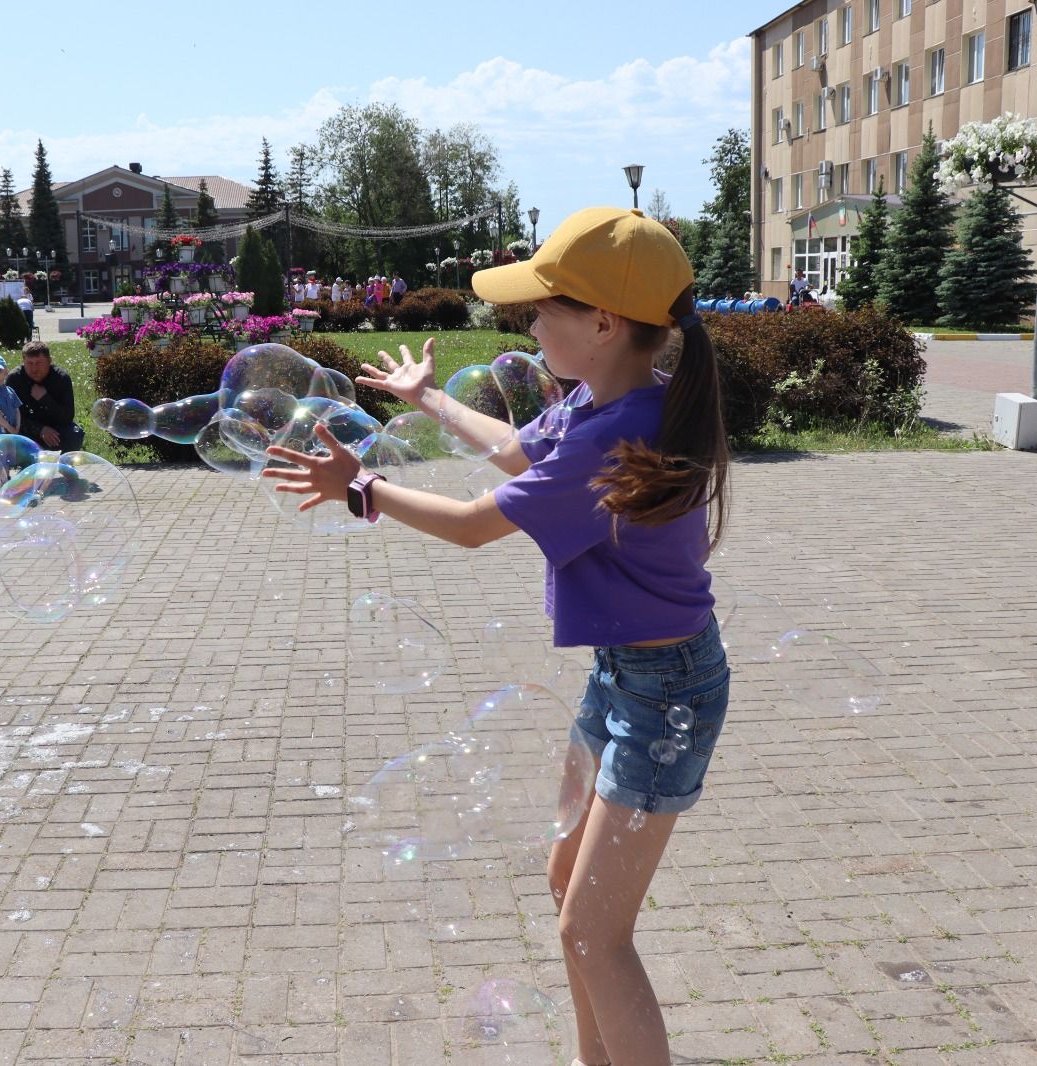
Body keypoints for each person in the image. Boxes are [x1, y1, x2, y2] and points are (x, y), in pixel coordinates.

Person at [264, 207, 730, 1066]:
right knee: (568, 895)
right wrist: (430, 399)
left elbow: (476, 526)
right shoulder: (615, 402)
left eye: (541, 306)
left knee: (596, 932)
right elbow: (520, 451)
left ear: (602, 322)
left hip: (664, 695)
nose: (528, 320)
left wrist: (359, 486)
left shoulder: (608, 434)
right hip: (631, 678)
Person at [7, 340, 84, 452]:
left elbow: (67, 417)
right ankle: (26, 461)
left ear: (49, 361)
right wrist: (40, 429)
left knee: (74, 434)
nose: (34, 369)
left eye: (39, 363)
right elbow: (10, 417)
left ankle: (62, 463)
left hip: (55, 429)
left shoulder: (61, 378)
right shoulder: (14, 379)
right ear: (23, 362)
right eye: (29, 363)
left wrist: (45, 399)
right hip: (27, 430)